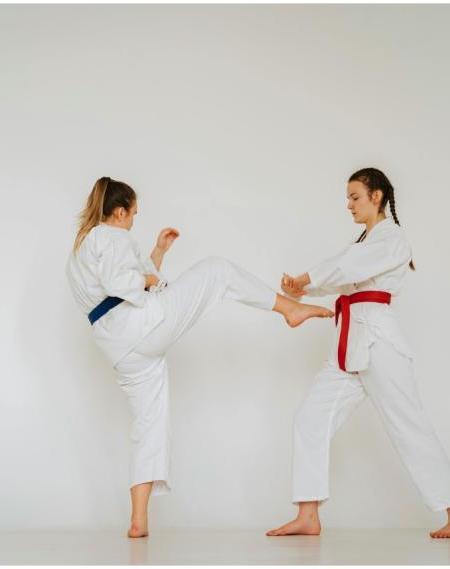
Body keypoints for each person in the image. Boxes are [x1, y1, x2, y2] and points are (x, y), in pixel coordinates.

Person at [66, 176, 334, 538]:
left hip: (121, 348)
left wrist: (158, 252)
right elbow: (121, 284)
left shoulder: (82, 248)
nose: (133, 221)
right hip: (140, 325)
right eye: (132, 214)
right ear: (118, 212)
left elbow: (122, 279)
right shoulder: (109, 235)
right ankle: (289, 309)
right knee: (217, 270)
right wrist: (147, 278)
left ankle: (138, 520)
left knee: (149, 424)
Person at [266, 167, 450, 539]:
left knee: (408, 425)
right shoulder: (364, 242)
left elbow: (346, 268)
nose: (348, 205)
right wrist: (300, 291)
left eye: (355, 197)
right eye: (347, 198)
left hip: (379, 343)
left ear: (377, 196)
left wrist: (305, 278)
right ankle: (308, 514)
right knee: (310, 418)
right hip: (348, 345)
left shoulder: (393, 239)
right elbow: (344, 278)